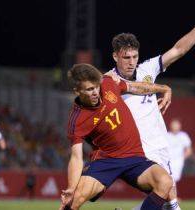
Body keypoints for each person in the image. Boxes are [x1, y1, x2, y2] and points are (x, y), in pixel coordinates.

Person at [108, 2, 195, 210]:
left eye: (134, 56)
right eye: (126, 57)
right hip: (137, 148)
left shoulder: (148, 68)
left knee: (164, 198)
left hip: (160, 144)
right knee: (168, 194)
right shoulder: (109, 81)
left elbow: (178, 49)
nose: (131, 62)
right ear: (115, 56)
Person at [59, 63, 174, 210]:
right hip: (106, 161)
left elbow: (136, 87)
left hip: (134, 156)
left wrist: (163, 88)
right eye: (89, 89)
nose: (95, 92)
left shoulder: (108, 83)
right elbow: (76, 157)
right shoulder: (77, 119)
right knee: (73, 201)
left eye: (96, 86)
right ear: (77, 91)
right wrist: (70, 188)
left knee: (165, 182)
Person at [166, 119, 192, 184]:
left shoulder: (184, 136)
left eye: (176, 125)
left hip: (178, 162)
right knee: (167, 179)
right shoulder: (167, 135)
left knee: (174, 180)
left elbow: (189, 150)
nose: (175, 127)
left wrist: (181, 159)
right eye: (174, 125)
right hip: (167, 162)